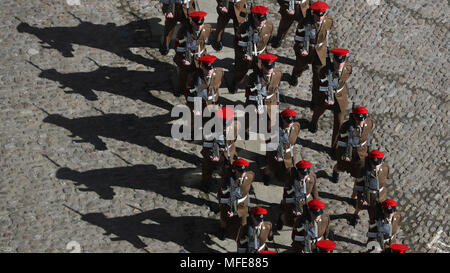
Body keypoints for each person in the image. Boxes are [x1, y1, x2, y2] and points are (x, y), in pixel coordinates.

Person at [309, 48, 352, 154]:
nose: (339, 64)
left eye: (342, 61)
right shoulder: (324, 71)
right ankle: (313, 123)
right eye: (337, 61)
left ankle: (334, 147)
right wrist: (327, 96)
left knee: (339, 123)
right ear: (334, 60)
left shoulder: (348, 68)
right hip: (325, 97)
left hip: (340, 98)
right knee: (319, 111)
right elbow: (319, 86)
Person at [289, 1, 333, 87]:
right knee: (300, 66)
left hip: (320, 51)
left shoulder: (329, 21)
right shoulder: (304, 23)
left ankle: (316, 90)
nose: (320, 18)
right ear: (313, 13)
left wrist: (326, 48)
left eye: (322, 15)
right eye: (317, 15)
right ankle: (294, 76)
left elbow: (326, 35)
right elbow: (298, 39)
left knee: (319, 71)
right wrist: (302, 48)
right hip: (307, 50)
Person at [230, 5, 274, 93]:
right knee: (240, 73)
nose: (262, 22)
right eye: (259, 20)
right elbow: (237, 43)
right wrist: (243, 55)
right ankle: (235, 83)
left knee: (262, 74)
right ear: (254, 17)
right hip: (245, 55)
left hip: (261, 55)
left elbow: (269, 40)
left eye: (263, 20)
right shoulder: (244, 28)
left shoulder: (269, 26)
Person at [331, 106, 374, 184]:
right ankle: (335, 173)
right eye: (358, 120)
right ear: (354, 117)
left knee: (359, 171)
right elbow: (340, 141)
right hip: (347, 150)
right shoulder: (346, 127)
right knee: (340, 167)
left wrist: (367, 146)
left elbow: (368, 134)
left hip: (361, 151)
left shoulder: (369, 122)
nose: (360, 123)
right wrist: (343, 154)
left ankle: (357, 187)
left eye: (362, 120)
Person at [173, 11, 212, 96]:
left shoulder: (207, 29)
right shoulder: (183, 31)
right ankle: (181, 88)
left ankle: (197, 92)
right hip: (187, 58)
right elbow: (177, 46)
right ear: (192, 22)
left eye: (201, 24)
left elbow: (204, 43)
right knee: (184, 76)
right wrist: (183, 58)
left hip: (201, 58)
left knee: (200, 78)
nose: (199, 27)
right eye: (197, 25)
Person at [202, 107, 239, 192]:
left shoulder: (235, 126)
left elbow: (234, 139)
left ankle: (225, 185)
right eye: (224, 124)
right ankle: (206, 183)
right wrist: (214, 154)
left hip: (228, 151)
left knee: (229, 170)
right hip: (212, 151)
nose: (227, 127)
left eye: (229, 123)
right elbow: (206, 144)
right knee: (207, 168)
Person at [218, 158, 254, 241]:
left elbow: (252, 175)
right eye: (240, 172)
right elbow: (222, 192)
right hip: (229, 205)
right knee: (224, 219)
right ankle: (222, 230)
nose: (242, 174)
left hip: (243, 205)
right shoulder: (228, 180)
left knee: (243, 222)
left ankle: (241, 236)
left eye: (244, 172)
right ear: (235, 170)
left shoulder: (249, 176)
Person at [277, 160, 318, 231]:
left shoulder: (312, 177)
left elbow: (314, 190)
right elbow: (286, 191)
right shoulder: (291, 178)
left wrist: (316, 203)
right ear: (298, 171)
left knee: (303, 220)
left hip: (307, 202)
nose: (304, 176)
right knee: (289, 219)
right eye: (302, 174)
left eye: (306, 174)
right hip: (293, 202)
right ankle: (281, 218)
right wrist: (286, 201)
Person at [263, 109, 300, 186]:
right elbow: (267, 140)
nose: (290, 124)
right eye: (287, 122)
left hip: (289, 152)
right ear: (282, 119)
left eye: (291, 122)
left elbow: (295, 137)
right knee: (271, 167)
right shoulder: (274, 129)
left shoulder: (296, 126)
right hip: (275, 152)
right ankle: (266, 177)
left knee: (288, 169)